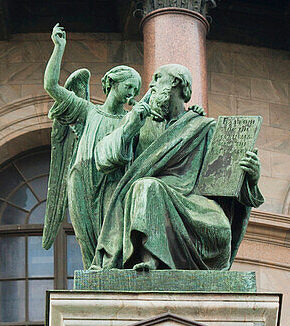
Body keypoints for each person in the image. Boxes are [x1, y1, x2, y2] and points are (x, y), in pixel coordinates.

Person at [91, 64, 263, 271]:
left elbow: (224, 185)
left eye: (157, 78)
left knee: (220, 227)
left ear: (176, 82)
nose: (151, 85)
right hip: (147, 197)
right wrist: (129, 127)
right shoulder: (140, 122)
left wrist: (250, 179)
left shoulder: (204, 127)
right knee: (147, 187)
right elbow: (103, 159)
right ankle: (149, 260)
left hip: (193, 201)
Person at [42, 24, 143, 266]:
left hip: (114, 183)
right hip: (82, 179)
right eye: (128, 86)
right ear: (111, 83)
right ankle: (92, 277)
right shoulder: (87, 111)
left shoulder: (130, 121)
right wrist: (59, 48)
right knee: (87, 236)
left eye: (136, 90)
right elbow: (51, 86)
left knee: (113, 239)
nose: (132, 93)